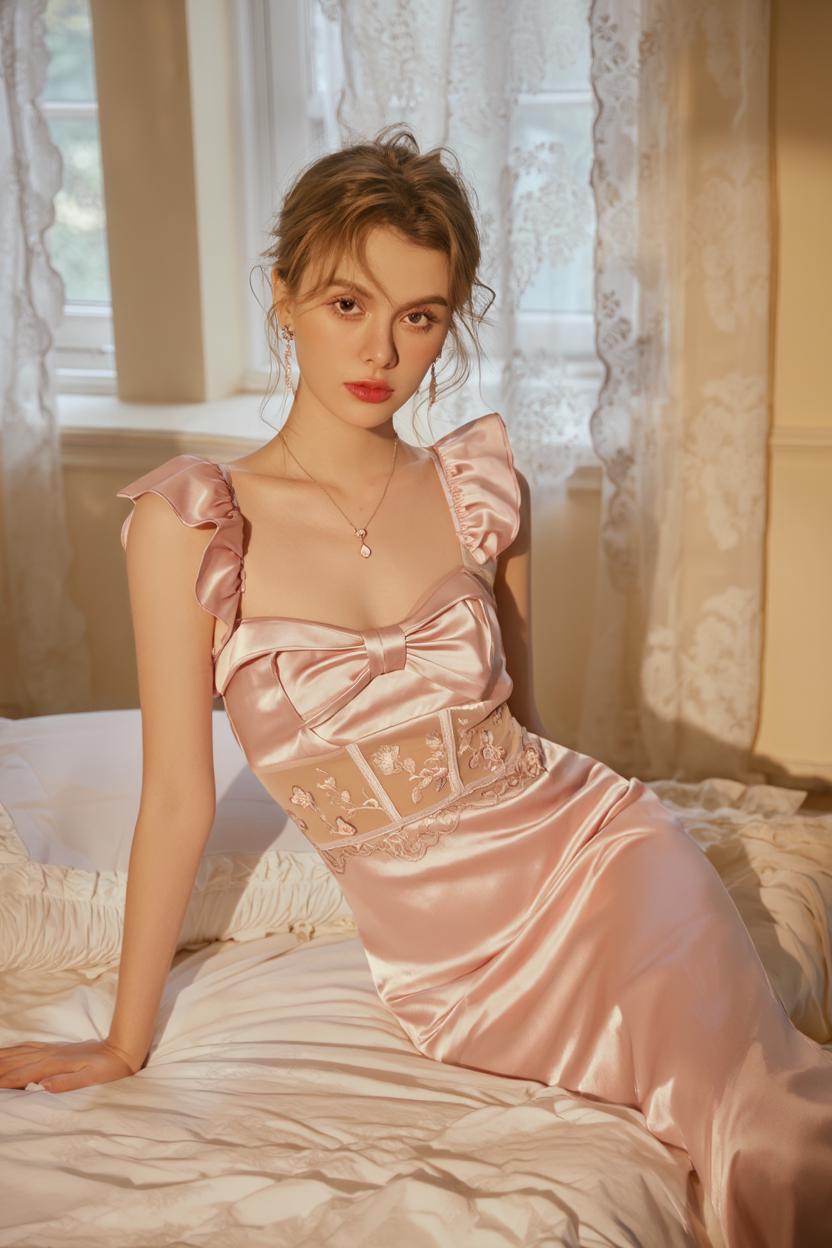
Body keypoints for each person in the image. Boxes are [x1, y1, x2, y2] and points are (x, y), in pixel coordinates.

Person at [1, 124, 830, 1247]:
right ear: (284, 296)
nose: (381, 349)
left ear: (452, 323)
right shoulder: (191, 522)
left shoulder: (481, 487)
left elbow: (528, 733)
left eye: (421, 315)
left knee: (760, 1124)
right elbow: (178, 799)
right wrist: (123, 1038)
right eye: (347, 303)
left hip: (606, 858)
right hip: (449, 962)